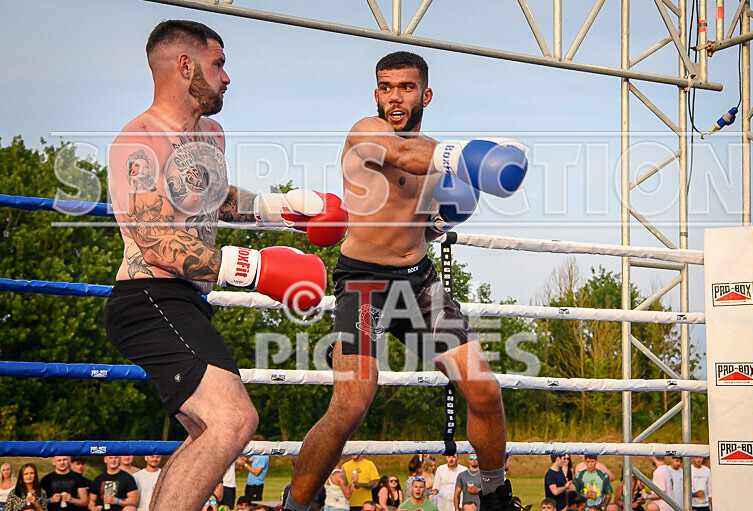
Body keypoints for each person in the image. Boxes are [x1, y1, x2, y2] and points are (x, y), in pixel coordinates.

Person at [104, 19, 345, 511]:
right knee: (233, 420)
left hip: (187, 300)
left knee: (206, 431)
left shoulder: (211, 134)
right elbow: (155, 242)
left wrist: (280, 207)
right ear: (185, 65)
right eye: (218, 64)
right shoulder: (139, 140)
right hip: (148, 299)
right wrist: (257, 270)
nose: (227, 77)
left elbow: (214, 199)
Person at [284, 50, 527, 511]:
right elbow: (404, 156)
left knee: (484, 388)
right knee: (351, 403)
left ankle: (495, 493)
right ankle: (296, 503)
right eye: (386, 87)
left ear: (425, 95)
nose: (395, 97)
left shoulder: (434, 156)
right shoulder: (367, 133)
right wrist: (473, 157)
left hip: (419, 284)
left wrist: (441, 220)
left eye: (406, 87)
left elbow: (421, 223)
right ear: (376, 94)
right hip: (364, 284)